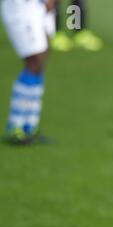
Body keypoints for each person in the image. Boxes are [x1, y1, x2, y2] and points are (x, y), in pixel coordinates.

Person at [1, 0, 56, 144]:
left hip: (40, 7)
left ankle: (29, 126)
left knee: (41, 61)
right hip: (21, 6)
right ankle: (15, 126)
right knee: (34, 60)